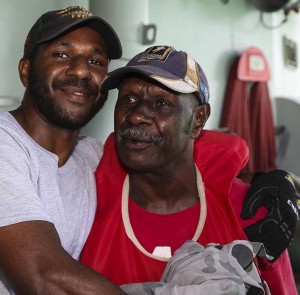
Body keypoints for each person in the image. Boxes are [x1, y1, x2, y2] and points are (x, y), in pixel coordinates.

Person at [81, 45, 299, 294]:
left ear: (198, 119)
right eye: (129, 99)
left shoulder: (251, 211)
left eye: (161, 103)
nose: (137, 116)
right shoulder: (88, 199)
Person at [0, 6, 125, 294]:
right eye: (62, 55)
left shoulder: (94, 156)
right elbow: (43, 277)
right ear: (26, 70)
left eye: (96, 60)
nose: (81, 70)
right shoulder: (6, 145)